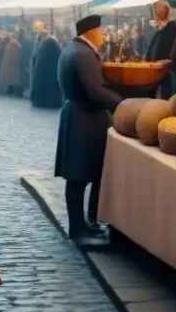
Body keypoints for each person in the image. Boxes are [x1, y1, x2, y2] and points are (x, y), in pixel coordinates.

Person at [54, 15, 121, 249]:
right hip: (85, 120)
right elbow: (95, 91)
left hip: (79, 117)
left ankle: (86, 225)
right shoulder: (83, 54)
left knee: (83, 175)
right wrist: (122, 104)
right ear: (91, 32)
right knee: (79, 177)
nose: (103, 36)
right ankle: (78, 229)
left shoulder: (74, 49)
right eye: (100, 31)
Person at [144, 0, 176, 99]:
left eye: (157, 10)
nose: (156, 12)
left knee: (166, 94)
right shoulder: (161, 28)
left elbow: (168, 48)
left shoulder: (172, 26)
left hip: (165, 67)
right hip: (157, 67)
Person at [30, 32, 63, 109]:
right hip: (53, 74)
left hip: (41, 74)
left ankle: (39, 101)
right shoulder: (57, 48)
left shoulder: (42, 48)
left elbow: (36, 61)